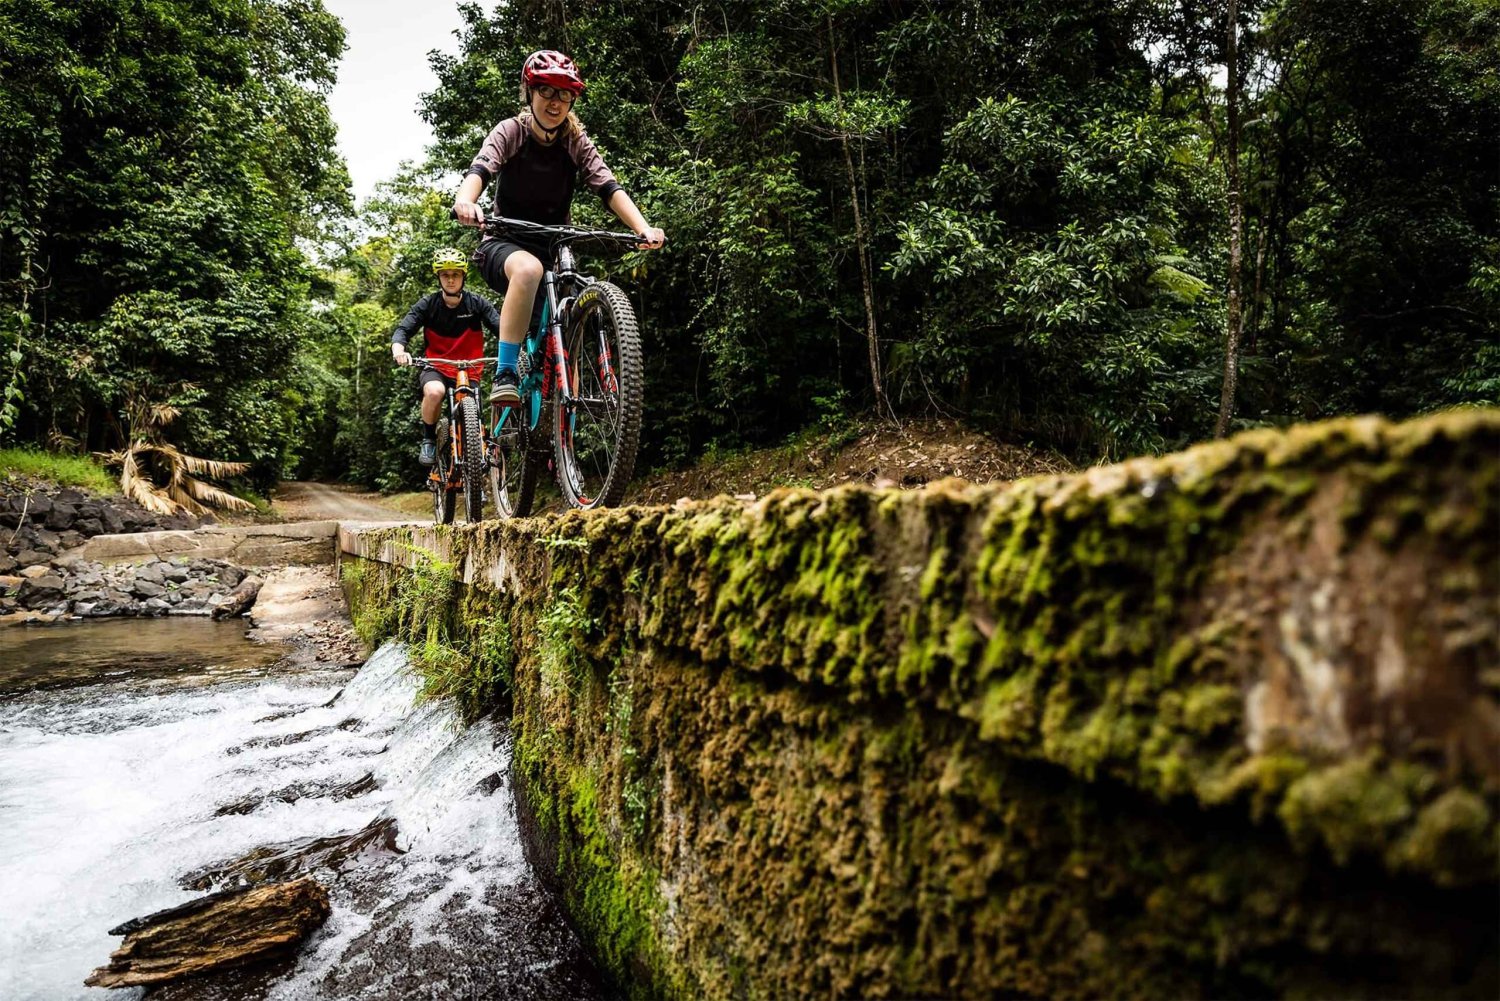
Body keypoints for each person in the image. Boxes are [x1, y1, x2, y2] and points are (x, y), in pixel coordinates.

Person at [451, 49, 665, 407]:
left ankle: (561, 447)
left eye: (564, 94)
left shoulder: (574, 141)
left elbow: (608, 187)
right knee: (528, 269)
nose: (555, 102)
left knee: (565, 337)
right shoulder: (511, 132)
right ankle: (505, 373)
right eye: (547, 91)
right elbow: (481, 169)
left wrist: (643, 227)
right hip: (504, 242)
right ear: (529, 92)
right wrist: (466, 201)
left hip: (555, 248)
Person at [391, 248, 501, 466]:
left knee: (476, 415)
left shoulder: (477, 303)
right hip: (437, 366)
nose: (451, 280)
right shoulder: (428, 304)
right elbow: (403, 330)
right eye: (445, 275)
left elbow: (501, 328)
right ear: (438, 277)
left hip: (470, 368)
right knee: (434, 392)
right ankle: (429, 438)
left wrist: (516, 350)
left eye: (456, 275)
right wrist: (399, 350)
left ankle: (475, 473)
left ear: (463, 277)